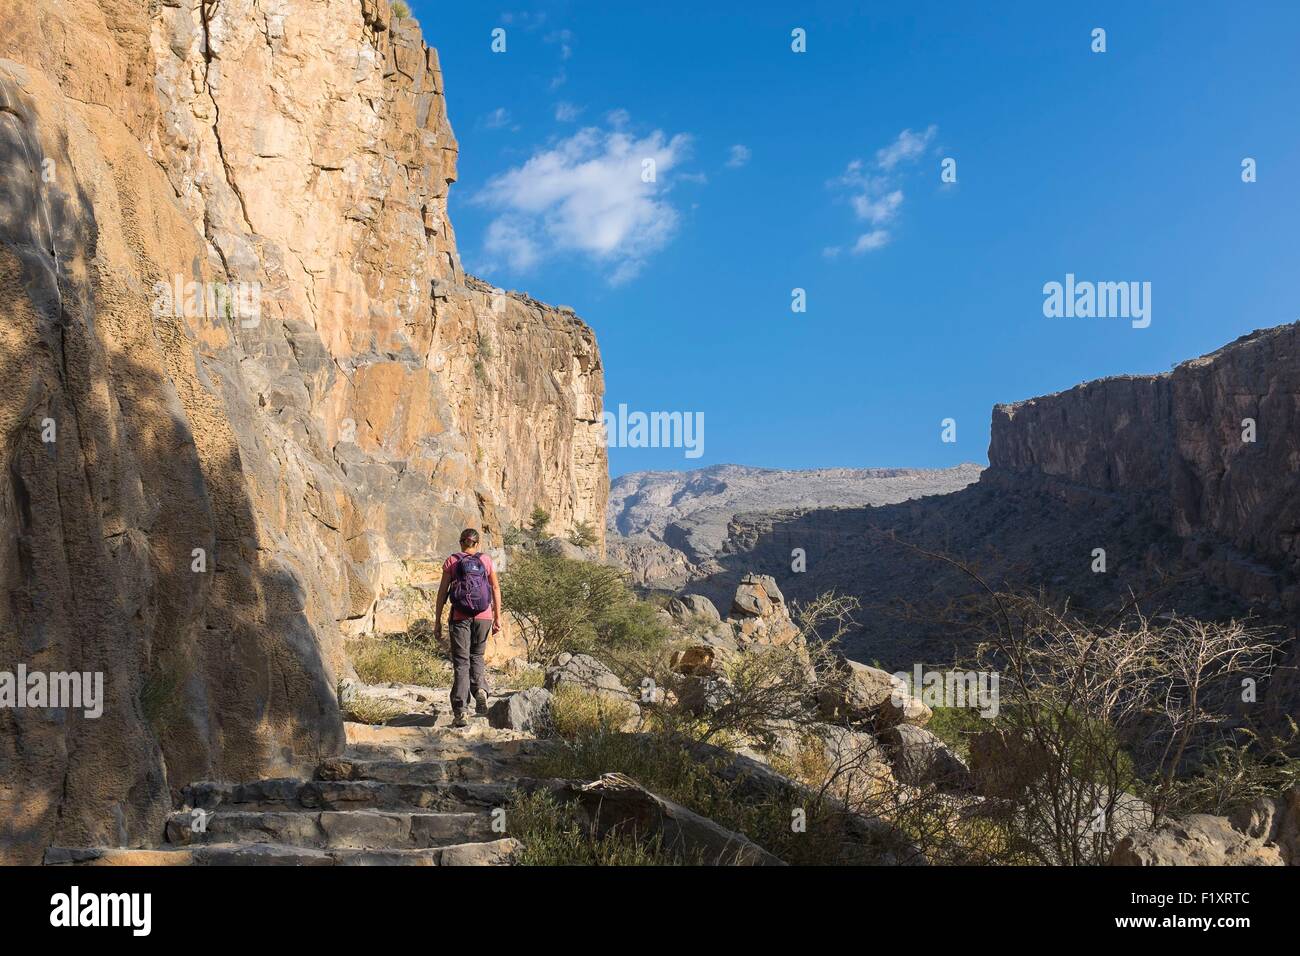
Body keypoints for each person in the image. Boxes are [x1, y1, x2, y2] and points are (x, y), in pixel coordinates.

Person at [434, 529, 502, 727]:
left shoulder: (452, 561)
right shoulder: (486, 561)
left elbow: (442, 592)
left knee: (462, 663)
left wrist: (437, 620)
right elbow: (495, 588)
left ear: (461, 542)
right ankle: (480, 689)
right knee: (477, 656)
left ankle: (460, 711)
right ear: (477, 543)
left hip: (459, 617)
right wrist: (497, 617)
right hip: (484, 617)